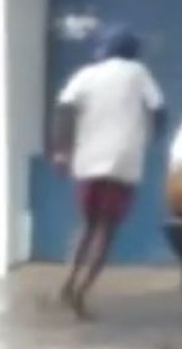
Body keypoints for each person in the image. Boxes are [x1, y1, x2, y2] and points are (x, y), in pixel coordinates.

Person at [49, 24, 166, 320]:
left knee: (86, 225)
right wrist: (154, 136)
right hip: (123, 161)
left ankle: (66, 283)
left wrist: (62, 151)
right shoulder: (138, 73)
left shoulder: (86, 74)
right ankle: (82, 291)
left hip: (89, 160)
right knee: (107, 230)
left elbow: (64, 107)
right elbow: (158, 108)